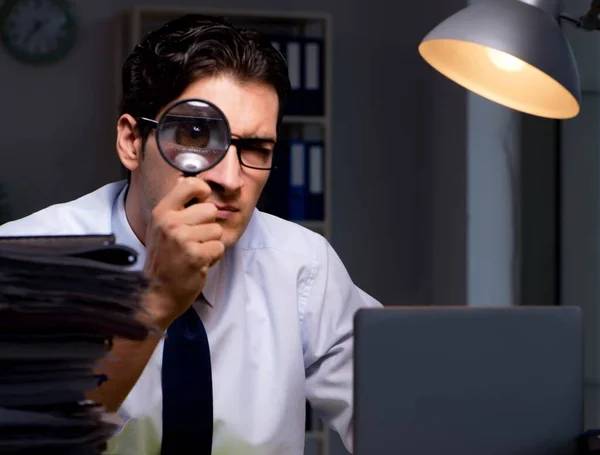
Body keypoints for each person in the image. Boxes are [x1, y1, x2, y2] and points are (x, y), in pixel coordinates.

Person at [0, 14, 381, 455]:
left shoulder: (302, 265)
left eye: (256, 148)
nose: (231, 177)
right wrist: (154, 303)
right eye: (197, 135)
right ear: (131, 141)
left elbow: (401, 413)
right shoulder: (30, 258)